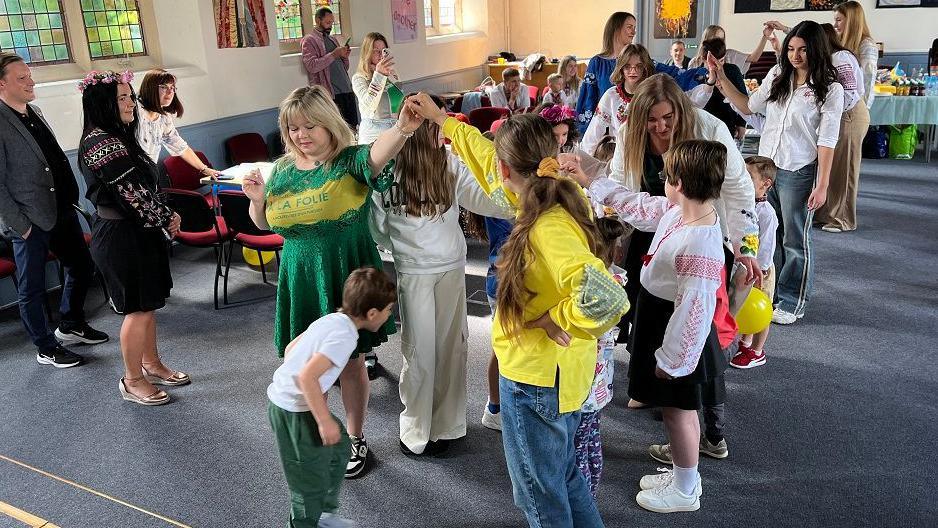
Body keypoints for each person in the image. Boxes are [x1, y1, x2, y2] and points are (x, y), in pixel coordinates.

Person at [408, 95, 629, 527]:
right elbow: (485, 154)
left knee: (541, 501)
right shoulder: (552, 195)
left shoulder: (548, 224)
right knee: (563, 480)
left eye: (500, 165)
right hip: (560, 377)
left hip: (537, 381)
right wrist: (444, 122)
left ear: (506, 172)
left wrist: (554, 318)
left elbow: (608, 298)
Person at [242, 85, 423, 478]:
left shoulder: (349, 161)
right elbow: (267, 224)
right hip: (298, 273)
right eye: (292, 128)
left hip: (343, 271)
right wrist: (257, 199)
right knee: (307, 358)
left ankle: (356, 437)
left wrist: (404, 128)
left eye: (310, 126)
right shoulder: (284, 170)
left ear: (328, 123)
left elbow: (379, 152)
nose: (300, 135)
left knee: (350, 360)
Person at [568, 139, 731, 514]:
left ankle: (686, 488)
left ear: (681, 182)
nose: (662, 181)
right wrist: (590, 180)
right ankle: (681, 471)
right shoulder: (684, 212)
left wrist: (674, 360)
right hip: (662, 321)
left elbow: (694, 310)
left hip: (675, 335)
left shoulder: (698, 241)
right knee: (676, 410)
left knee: (678, 410)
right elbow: (637, 204)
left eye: (667, 176)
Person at [368, 94, 513, 456]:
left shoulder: (450, 163)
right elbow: (377, 225)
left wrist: (516, 189)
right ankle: (418, 428)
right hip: (416, 271)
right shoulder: (389, 169)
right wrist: (403, 248)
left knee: (451, 348)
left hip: (448, 267)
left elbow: (486, 200)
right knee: (420, 352)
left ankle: (447, 424)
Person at [609, 74, 760, 334]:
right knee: (646, 315)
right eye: (651, 120)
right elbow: (619, 183)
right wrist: (613, 235)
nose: (660, 127)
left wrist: (746, 246)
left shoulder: (711, 129)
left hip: (699, 233)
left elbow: (739, 188)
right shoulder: (628, 133)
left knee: (695, 315)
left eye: (668, 118)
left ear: (680, 109)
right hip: (648, 236)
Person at [717, 21, 844, 324]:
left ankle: (792, 299)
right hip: (765, 168)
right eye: (790, 48)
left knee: (795, 237)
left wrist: (823, 183)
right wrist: (721, 77)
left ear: (816, 50)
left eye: (802, 49)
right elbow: (748, 107)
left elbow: (827, 140)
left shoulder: (830, 89)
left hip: (799, 169)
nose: (795, 55)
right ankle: (768, 291)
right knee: (765, 233)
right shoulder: (777, 75)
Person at [78, 70, 187, 405]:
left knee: (149, 303)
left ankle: (151, 363)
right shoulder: (101, 141)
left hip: (139, 230)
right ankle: (132, 380)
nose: (130, 103)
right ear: (103, 104)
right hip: (120, 235)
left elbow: (144, 186)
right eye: (122, 98)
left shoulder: (119, 134)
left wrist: (162, 217)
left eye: (129, 96)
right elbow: (132, 193)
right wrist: (168, 217)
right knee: (136, 310)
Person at [0, 53, 108, 368]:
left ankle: (71, 324)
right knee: (32, 288)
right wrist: (22, 226)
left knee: (82, 266)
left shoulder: (34, 111)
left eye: (29, 75)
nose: (30, 81)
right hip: (30, 220)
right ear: (2, 83)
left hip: (60, 210)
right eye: (21, 78)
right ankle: (45, 347)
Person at [267, 267, 397, 528]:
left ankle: (322, 514)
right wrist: (323, 419)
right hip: (294, 410)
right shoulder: (344, 338)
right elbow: (307, 378)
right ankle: (305, 522)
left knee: (338, 448)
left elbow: (293, 348)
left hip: (284, 400)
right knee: (308, 476)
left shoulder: (331, 319)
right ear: (372, 313)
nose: (389, 314)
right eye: (388, 310)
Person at [574, 217, 626, 499]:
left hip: (583, 385)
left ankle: (581, 502)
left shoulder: (592, 288)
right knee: (591, 441)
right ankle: (589, 496)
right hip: (599, 385)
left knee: (575, 449)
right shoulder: (615, 279)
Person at [580, 44, 712, 155]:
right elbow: (594, 132)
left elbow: (691, 102)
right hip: (624, 157)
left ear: (645, 68)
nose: (633, 71)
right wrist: (580, 160)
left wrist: (710, 83)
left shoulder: (657, 92)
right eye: (627, 66)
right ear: (621, 68)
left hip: (656, 156)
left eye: (638, 66)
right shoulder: (611, 96)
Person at [815, 15, 872, 233]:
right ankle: (826, 212)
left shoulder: (840, 58)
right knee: (833, 167)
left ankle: (843, 219)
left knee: (846, 168)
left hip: (849, 115)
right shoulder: (831, 57)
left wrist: (831, 109)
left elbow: (849, 92)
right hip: (840, 115)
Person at [733, 156, 778, 369]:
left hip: (762, 269)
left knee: (762, 309)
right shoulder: (744, 205)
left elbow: (767, 245)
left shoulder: (767, 213)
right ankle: (745, 342)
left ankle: (757, 350)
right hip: (745, 267)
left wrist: (763, 269)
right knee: (745, 305)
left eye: (749, 177)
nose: (742, 181)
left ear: (765, 183)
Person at [136, 69, 219, 179]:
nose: (170, 92)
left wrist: (204, 169)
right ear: (150, 88)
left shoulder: (163, 116)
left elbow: (179, 145)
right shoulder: (134, 113)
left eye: (172, 88)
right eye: (164, 87)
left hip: (149, 175)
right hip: (130, 175)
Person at [577, 11, 637, 134]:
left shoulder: (637, 59)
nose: (633, 32)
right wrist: (586, 132)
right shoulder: (597, 62)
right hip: (605, 131)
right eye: (629, 27)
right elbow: (589, 99)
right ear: (616, 28)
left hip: (633, 128)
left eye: (634, 28)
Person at [301, 7, 358, 130]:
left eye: (332, 23)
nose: (330, 26)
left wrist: (344, 56)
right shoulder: (309, 40)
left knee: (353, 128)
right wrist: (334, 54)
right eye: (327, 22)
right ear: (318, 20)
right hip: (331, 94)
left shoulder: (333, 39)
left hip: (347, 89)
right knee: (338, 130)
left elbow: (344, 68)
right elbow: (312, 66)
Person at [352, 32, 400, 144]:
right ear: (367, 53)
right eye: (376, 51)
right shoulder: (359, 78)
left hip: (395, 131)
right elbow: (369, 105)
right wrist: (379, 75)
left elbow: (398, 101)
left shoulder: (392, 73)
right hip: (373, 135)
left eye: (384, 50)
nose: (381, 55)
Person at [697, 38, 749, 141]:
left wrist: (741, 123)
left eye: (721, 61)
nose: (718, 66)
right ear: (704, 59)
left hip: (727, 121)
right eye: (712, 63)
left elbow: (743, 96)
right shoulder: (697, 74)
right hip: (703, 123)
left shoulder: (732, 70)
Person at [688, 24, 772, 74]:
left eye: (721, 40)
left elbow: (754, 58)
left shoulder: (730, 55)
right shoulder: (694, 63)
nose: (719, 43)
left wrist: (765, 36)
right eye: (716, 39)